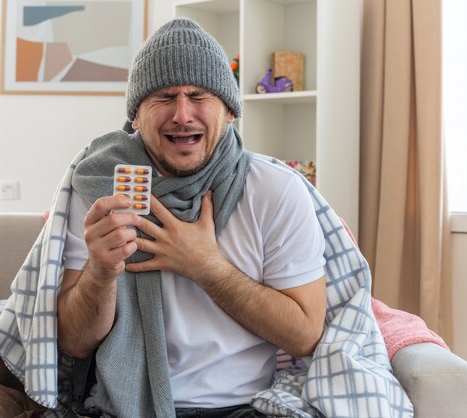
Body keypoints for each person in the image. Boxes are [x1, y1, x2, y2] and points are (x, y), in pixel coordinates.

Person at [59, 18, 327, 417]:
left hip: (243, 407)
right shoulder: (98, 188)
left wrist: (205, 267)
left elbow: (304, 335)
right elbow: (74, 342)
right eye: (163, 97)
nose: (182, 114)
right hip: (122, 407)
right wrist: (101, 269)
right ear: (135, 116)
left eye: (199, 95)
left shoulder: (276, 190)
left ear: (231, 111)